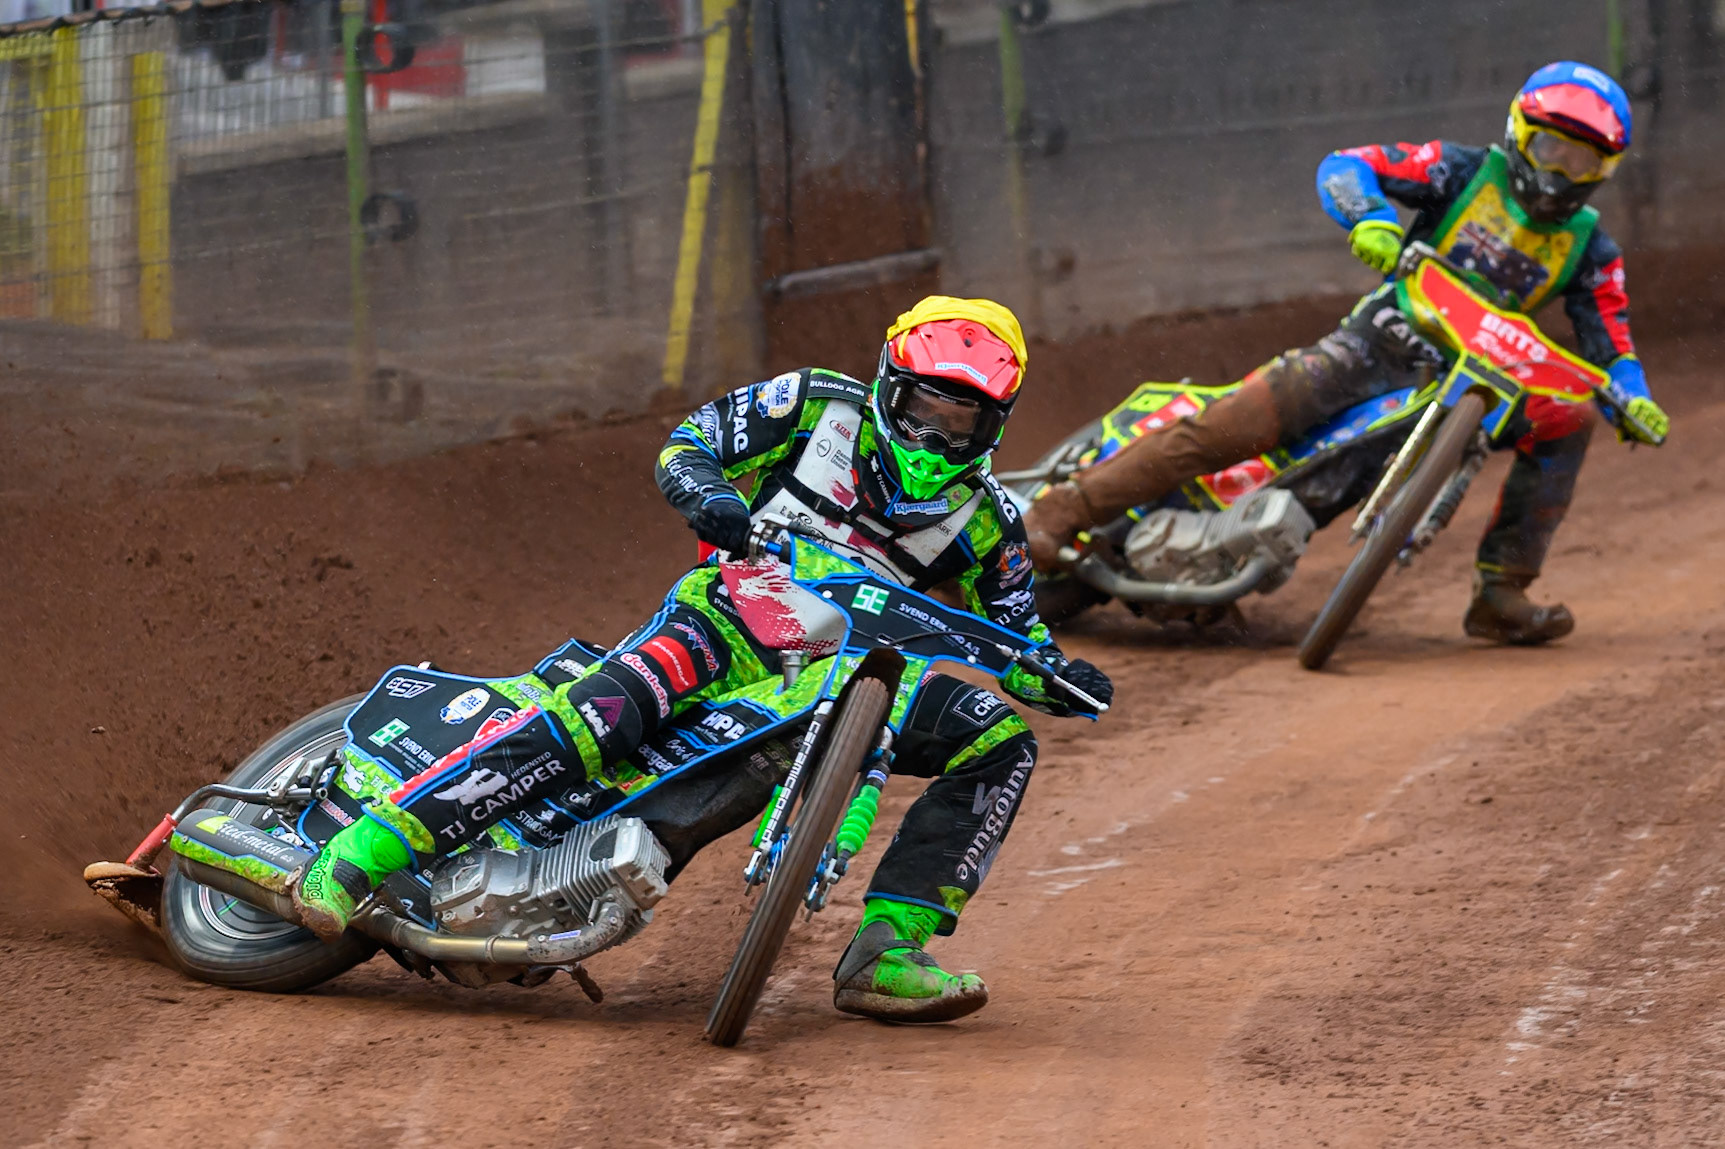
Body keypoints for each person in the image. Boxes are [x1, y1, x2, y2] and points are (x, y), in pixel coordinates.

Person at [291, 296, 1113, 1024]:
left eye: (964, 418)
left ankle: (888, 950)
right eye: (928, 404)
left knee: (996, 741)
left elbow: (1015, 639)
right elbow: (690, 444)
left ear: (994, 425)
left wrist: (1057, 675)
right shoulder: (816, 404)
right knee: (609, 711)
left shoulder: (991, 522)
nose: (939, 431)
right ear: (889, 386)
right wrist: (714, 499)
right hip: (736, 612)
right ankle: (366, 850)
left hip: (861, 672)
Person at [1025, 61, 1669, 645]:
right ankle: (1059, 515)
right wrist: (1369, 218)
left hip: (1460, 392)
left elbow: (1611, 338)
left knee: (1569, 420)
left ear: (1605, 171)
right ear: (1519, 134)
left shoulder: (1590, 248)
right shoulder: (1463, 169)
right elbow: (1347, 164)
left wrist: (1632, 395)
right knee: (1236, 427)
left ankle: (1503, 591)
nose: (1561, 172)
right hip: (1369, 344)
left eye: (1582, 162)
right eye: (1551, 149)